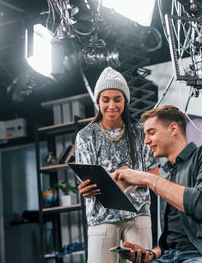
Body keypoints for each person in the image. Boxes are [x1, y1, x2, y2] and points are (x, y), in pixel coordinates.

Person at [113, 105, 202, 263]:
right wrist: (152, 254)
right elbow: (173, 240)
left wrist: (148, 178)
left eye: (151, 133)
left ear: (173, 128)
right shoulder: (167, 177)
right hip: (170, 257)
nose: (146, 141)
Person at [75, 67, 160, 263]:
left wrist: (128, 176)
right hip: (101, 218)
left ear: (125, 101)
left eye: (117, 99)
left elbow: (155, 176)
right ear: (98, 102)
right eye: (105, 100)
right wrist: (86, 189)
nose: (111, 105)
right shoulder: (86, 136)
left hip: (138, 215)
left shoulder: (140, 132)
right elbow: (86, 180)